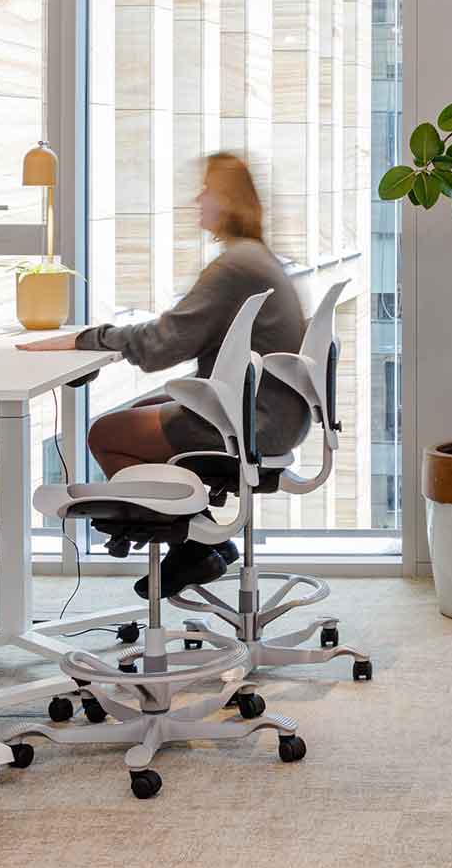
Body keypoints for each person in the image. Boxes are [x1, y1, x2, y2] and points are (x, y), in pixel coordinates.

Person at [23, 151, 303, 594]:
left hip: (253, 421)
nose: (199, 198)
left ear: (228, 200)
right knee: (144, 408)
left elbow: (163, 344)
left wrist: (89, 338)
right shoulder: (254, 258)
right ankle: (205, 534)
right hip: (268, 415)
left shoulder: (235, 266)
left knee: (105, 434)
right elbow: (175, 339)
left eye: (208, 189)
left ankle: (191, 548)